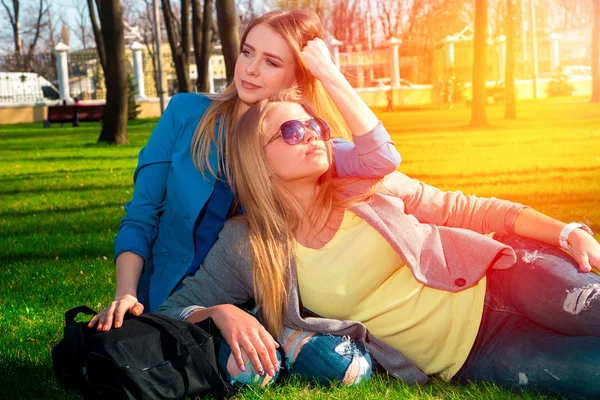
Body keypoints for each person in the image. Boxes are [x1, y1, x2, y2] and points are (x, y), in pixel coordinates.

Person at [157, 89, 600, 398]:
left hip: (504, 275)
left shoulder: (367, 185)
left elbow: (467, 209)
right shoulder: (250, 244)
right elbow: (171, 310)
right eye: (292, 131)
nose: (312, 134)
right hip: (474, 354)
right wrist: (220, 311)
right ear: (259, 160)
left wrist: (567, 232)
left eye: (315, 125)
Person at [88, 9, 401, 332]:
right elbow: (142, 213)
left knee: (323, 361)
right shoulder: (185, 113)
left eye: (271, 61)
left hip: (257, 307)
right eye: (247, 52)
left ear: (297, 75)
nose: (250, 70)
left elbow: (381, 159)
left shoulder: (302, 139)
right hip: (170, 296)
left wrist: (330, 76)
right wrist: (125, 293)